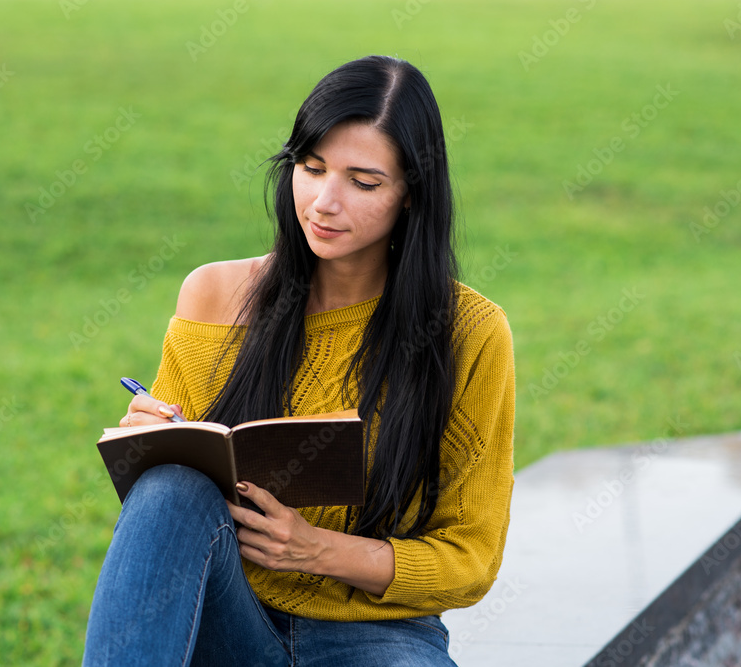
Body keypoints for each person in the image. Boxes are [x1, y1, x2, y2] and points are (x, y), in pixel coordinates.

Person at [83, 54, 515, 666]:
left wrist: (316, 550)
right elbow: (167, 531)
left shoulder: (469, 332)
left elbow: (470, 561)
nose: (323, 203)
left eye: (362, 182)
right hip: (225, 618)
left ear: (412, 195)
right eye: (311, 169)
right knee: (169, 487)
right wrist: (148, 444)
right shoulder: (214, 296)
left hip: (379, 638)